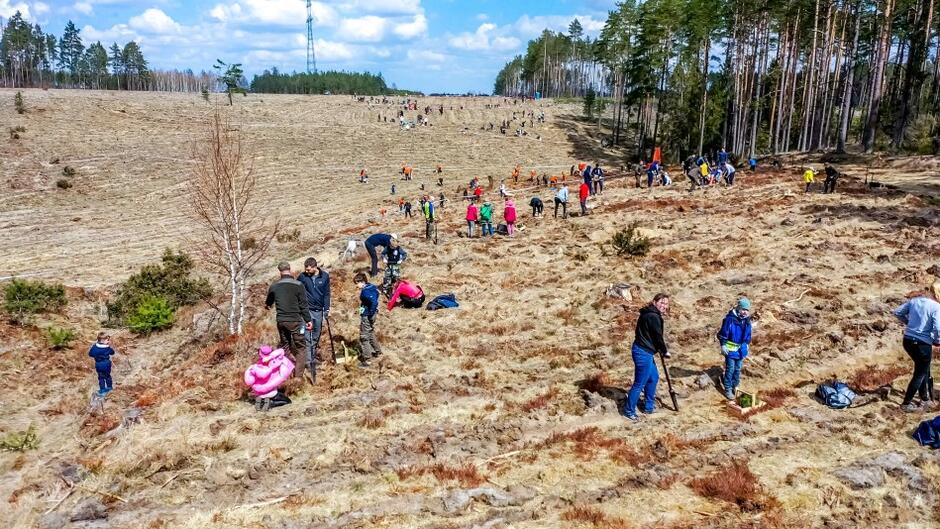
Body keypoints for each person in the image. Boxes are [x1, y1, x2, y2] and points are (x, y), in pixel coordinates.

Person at [624, 294, 671, 422]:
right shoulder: (653, 316)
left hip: (646, 350)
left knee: (653, 377)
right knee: (639, 383)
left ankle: (648, 407)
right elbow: (657, 336)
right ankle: (629, 411)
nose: (664, 306)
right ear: (654, 302)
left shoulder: (649, 313)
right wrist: (664, 351)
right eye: (662, 303)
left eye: (666, 304)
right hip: (642, 352)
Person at [894, 282, 940, 412]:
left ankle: (924, 398)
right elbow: (937, 328)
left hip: (908, 341)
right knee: (920, 373)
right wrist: (938, 341)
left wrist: (909, 324)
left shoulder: (914, 301)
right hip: (922, 344)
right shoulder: (936, 307)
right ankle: (906, 404)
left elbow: (897, 312)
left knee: (923, 368)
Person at [265, 262, 312, 380]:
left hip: (281, 321)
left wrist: (268, 306)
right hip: (295, 321)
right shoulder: (298, 285)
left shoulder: (274, 286)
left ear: (279, 271)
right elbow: (303, 305)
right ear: (289, 269)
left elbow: (268, 303)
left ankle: (285, 373)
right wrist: (308, 320)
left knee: (285, 347)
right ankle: (298, 377)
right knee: (301, 347)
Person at [297, 257, 330, 383]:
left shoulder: (325, 277)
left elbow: (327, 294)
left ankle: (312, 357)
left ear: (314, 266)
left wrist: (326, 309)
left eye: (308, 269)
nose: (306, 271)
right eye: (305, 269)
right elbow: (297, 289)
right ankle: (309, 362)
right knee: (307, 336)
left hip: (319, 311)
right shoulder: (302, 277)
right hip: (306, 311)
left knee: (315, 336)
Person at [717, 298, 753, 401]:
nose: (745, 311)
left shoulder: (747, 321)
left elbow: (748, 334)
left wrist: (746, 344)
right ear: (738, 308)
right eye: (743, 309)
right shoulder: (730, 319)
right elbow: (723, 333)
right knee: (731, 369)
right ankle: (727, 388)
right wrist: (723, 345)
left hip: (741, 350)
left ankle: (734, 386)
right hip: (730, 349)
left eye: (747, 310)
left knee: (737, 369)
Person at [244, 345, 294, 411]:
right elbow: (281, 351)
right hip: (271, 392)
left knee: (264, 394)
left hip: (258, 391)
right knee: (287, 401)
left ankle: (261, 401)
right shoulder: (276, 362)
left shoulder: (258, 365)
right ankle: (271, 403)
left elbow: (249, 381)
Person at [355, 273, 382, 368]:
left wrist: (370, 312)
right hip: (372, 314)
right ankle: (378, 351)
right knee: (370, 332)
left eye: (357, 283)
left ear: (362, 282)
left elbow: (374, 301)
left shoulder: (365, 292)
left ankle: (367, 359)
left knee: (364, 337)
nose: (356, 285)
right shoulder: (372, 287)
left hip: (367, 315)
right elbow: (377, 294)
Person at [88, 332, 116, 396]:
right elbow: (112, 352)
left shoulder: (95, 347)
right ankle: (109, 387)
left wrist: (97, 355)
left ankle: (102, 389)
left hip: (98, 364)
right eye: (107, 340)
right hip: (106, 364)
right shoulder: (107, 348)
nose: (108, 341)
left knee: (100, 377)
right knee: (107, 376)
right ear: (103, 340)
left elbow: (90, 354)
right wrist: (109, 346)